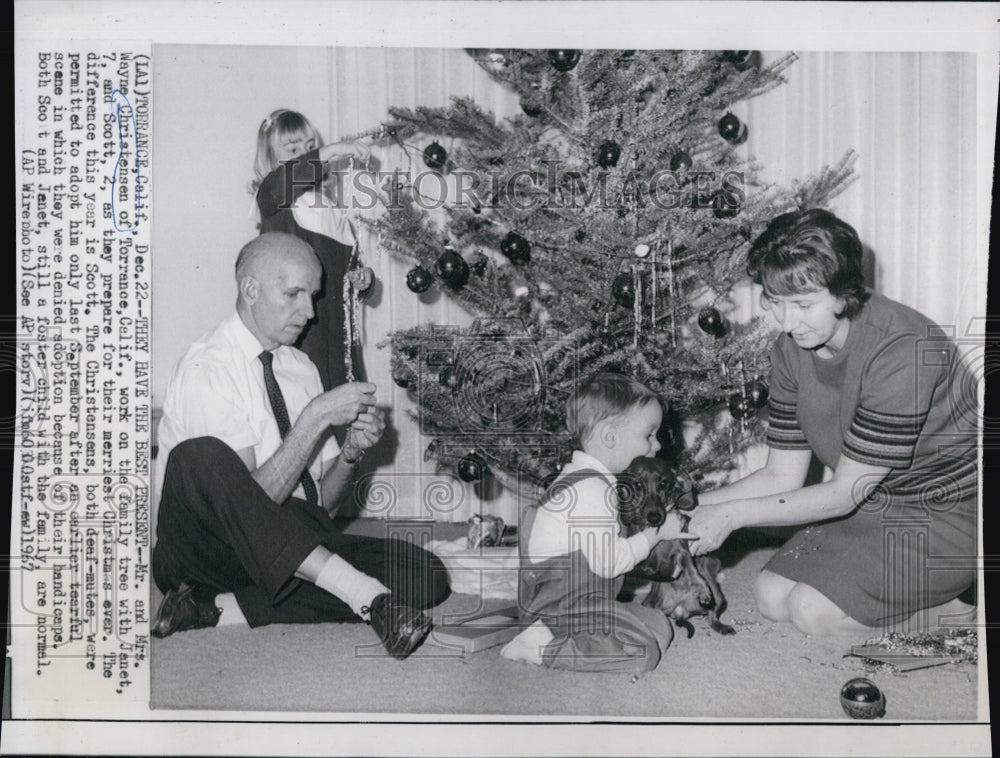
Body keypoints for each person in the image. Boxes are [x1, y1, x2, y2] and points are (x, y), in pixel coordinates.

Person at [152, 232, 449, 659]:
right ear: (250, 289)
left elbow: (320, 510)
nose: (308, 311)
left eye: (311, 295)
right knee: (200, 456)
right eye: (292, 293)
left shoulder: (301, 367)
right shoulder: (208, 366)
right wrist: (314, 418)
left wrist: (350, 454)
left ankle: (215, 610)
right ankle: (366, 595)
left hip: (286, 548)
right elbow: (250, 507)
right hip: (206, 554)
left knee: (425, 574)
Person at [688, 209, 978, 636]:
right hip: (872, 504)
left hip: (946, 513)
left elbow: (845, 492)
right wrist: (693, 508)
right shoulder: (790, 350)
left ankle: (961, 609)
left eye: (803, 304)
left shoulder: (902, 348)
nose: (786, 323)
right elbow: (780, 475)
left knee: (810, 612)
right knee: (770, 598)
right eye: (775, 301)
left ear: (843, 293)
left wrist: (730, 517)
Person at [501, 373, 694, 677]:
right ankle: (542, 647)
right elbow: (610, 564)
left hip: (581, 601)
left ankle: (568, 637)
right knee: (643, 651)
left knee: (658, 625)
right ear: (609, 436)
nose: (656, 445)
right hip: (560, 608)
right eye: (649, 434)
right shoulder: (592, 491)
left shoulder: (585, 480)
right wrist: (656, 533)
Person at [251, 109, 374, 394]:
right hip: (299, 333)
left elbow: (350, 271)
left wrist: (364, 280)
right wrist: (332, 150)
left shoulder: (331, 210)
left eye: (310, 147)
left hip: (339, 335)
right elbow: (283, 181)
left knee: (346, 404)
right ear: (271, 159)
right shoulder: (275, 199)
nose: (305, 155)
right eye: (292, 149)